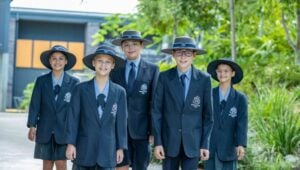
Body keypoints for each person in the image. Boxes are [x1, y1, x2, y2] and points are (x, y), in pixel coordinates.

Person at [152, 36, 214, 170]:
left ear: (194, 55)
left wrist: (204, 144)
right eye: (179, 52)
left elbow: (208, 116)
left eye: (187, 52)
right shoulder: (164, 78)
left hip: (193, 143)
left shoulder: (204, 80)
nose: (183, 57)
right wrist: (158, 143)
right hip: (169, 143)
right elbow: (157, 112)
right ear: (173, 54)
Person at [65, 45, 127, 170]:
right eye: (100, 61)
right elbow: (73, 118)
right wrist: (71, 143)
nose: (103, 65)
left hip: (108, 151)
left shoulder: (120, 92)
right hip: (84, 150)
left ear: (113, 65)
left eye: (107, 62)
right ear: (93, 63)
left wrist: (120, 147)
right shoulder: (80, 89)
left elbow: (121, 123)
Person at [110, 30, 159, 170]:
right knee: (120, 166)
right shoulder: (115, 69)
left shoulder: (152, 69)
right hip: (119, 130)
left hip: (142, 131)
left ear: (141, 46)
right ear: (122, 48)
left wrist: (153, 131)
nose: (131, 48)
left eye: (135, 44)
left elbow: (154, 102)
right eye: (127, 45)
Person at [27, 45, 79, 170]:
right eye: (54, 58)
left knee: (61, 163)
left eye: (61, 58)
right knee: (47, 163)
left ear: (66, 61)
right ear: (50, 61)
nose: (57, 62)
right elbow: (35, 104)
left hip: (64, 130)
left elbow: (75, 110)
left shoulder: (74, 83)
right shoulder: (41, 81)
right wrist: (32, 125)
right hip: (45, 129)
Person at [205, 58, 248, 170]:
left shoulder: (240, 98)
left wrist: (240, 144)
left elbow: (242, 123)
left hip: (229, 148)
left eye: (226, 71)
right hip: (210, 147)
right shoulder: (209, 94)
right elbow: (203, 120)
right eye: (219, 71)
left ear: (232, 73)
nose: (222, 74)